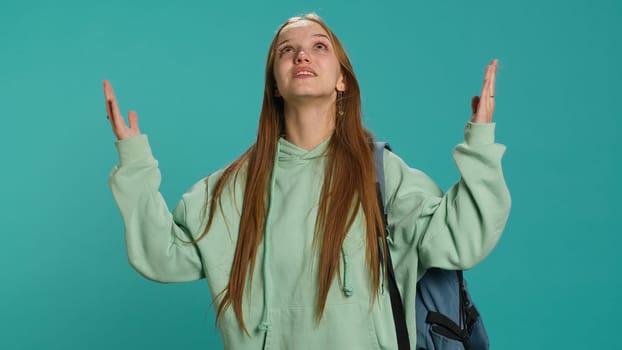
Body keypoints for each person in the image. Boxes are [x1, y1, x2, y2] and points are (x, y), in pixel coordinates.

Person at [104, 13, 510, 350]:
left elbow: (461, 239)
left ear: (342, 80)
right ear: (275, 85)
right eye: (287, 50)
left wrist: (480, 142)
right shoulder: (233, 188)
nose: (302, 54)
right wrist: (135, 163)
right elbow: (164, 255)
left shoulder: (382, 176)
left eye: (319, 46)